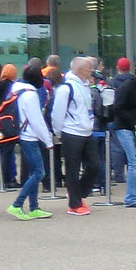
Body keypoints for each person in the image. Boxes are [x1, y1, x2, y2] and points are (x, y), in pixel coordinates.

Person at [48, 56, 103, 216]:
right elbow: (57, 113)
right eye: (88, 68)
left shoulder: (86, 86)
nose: (91, 70)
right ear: (79, 70)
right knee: (72, 168)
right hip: (71, 132)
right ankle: (74, 204)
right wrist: (58, 132)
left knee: (95, 165)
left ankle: (77, 193)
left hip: (87, 131)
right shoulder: (66, 88)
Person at [6, 65, 54, 220]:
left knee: (34, 172)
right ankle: (17, 204)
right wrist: (48, 140)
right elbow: (37, 120)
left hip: (22, 134)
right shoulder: (31, 95)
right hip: (30, 136)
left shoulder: (17, 91)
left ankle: (34, 207)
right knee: (40, 172)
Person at [107, 60, 136, 208]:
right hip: (125, 128)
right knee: (133, 161)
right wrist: (134, 122)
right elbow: (118, 108)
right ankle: (131, 198)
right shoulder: (127, 87)